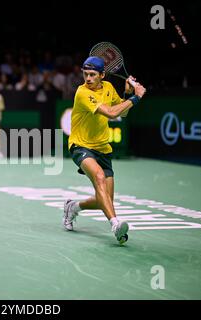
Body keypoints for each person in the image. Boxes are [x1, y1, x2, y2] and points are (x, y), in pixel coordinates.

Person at [62, 56, 146, 244]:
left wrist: (125, 95)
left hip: (103, 148)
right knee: (99, 177)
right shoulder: (82, 92)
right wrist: (136, 97)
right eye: (85, 74)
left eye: (92, 75)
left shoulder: (108, 87)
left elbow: (121, 112)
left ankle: (73, 207)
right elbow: (110, 113)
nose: (88, 79)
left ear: (102, 75)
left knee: (105, 199)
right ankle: (115, 225)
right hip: (80, 146)